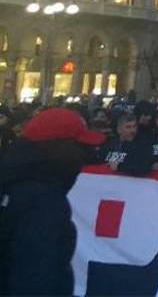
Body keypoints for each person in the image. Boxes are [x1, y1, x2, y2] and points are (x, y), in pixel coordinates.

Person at [0, 107, 105, 295]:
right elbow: (34, 276)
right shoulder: (43, 202)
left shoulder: (13, 180)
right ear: (61, 148)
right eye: (81, 147)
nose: (84, 155)